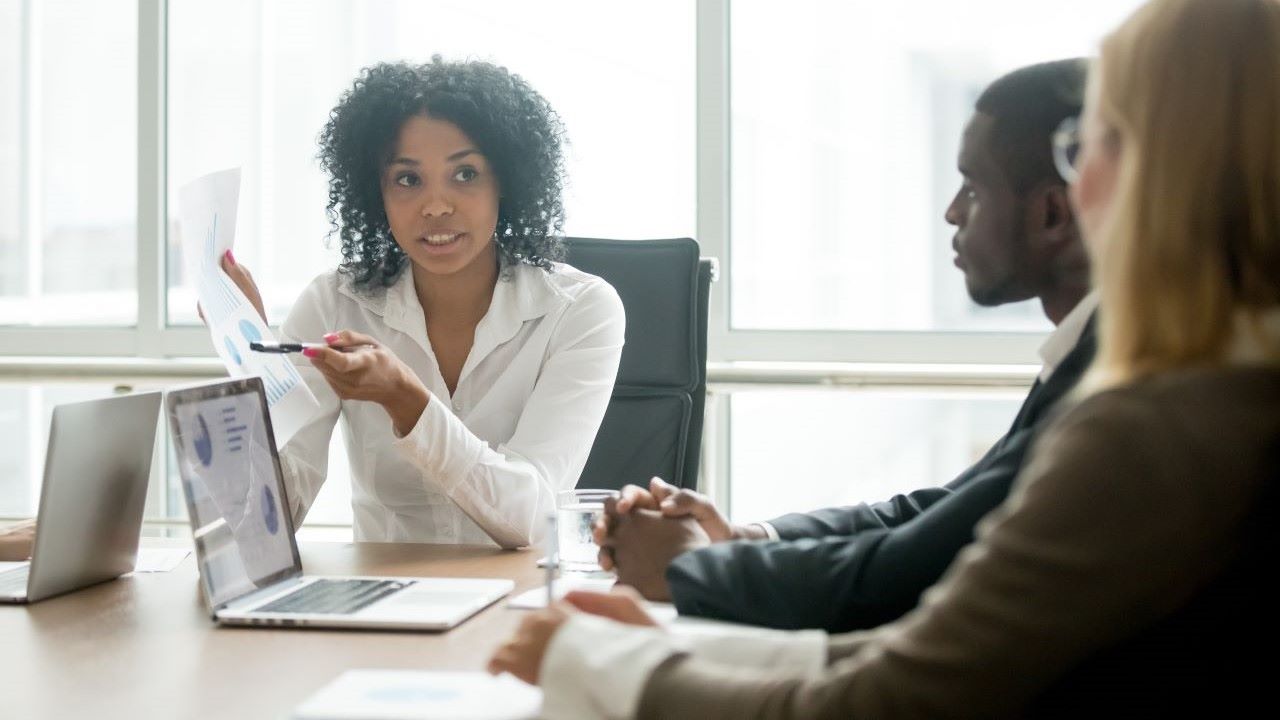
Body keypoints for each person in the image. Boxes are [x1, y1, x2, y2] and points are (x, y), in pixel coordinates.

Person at [489, 0, 1280, 714]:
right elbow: (955, 625)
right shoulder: (1215, 394)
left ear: (1170, 169)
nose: (1078, 180)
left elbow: (889, 695)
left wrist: (610, 663)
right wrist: (675, 638)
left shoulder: (1157, 425)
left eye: (1090, 141)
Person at [595, 58, 1096, 632]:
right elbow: (942, 513)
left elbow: (906, 574)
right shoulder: (1086, 351)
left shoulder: (1110, 382)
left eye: (974, 188)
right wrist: (746, 538)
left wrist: (695, 568)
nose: (952, 211)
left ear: (1053, 213)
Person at [223, 58, 624, 548]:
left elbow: (530, 517)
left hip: (519, 604)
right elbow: (266, 523)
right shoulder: (334, 303)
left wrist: (407, 401)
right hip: (382, 604)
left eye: (465, 174)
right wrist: (254, 362)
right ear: (377, 193)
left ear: (506, 181)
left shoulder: (579, 310)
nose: (436, 205)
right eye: (408, 180)